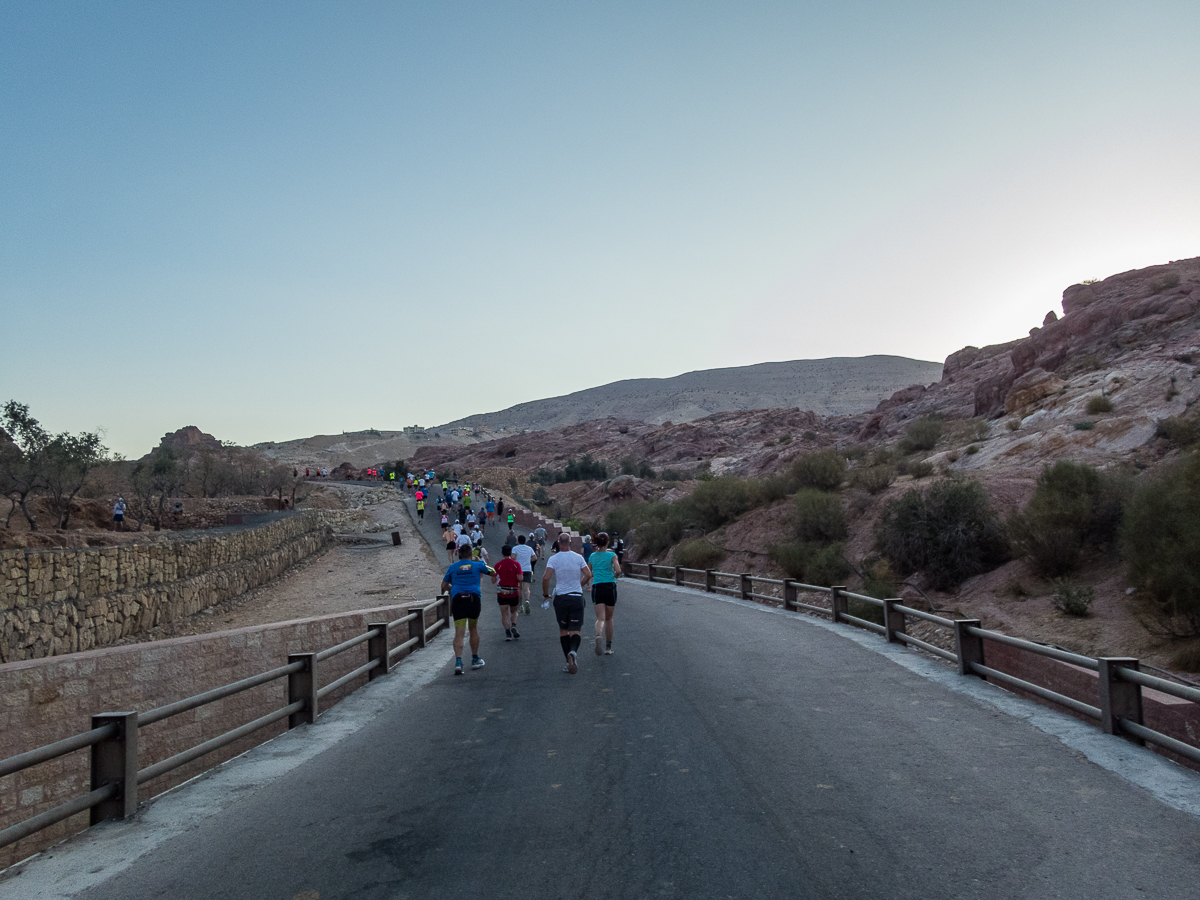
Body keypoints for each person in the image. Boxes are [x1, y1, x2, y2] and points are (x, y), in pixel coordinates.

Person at [542, 534, 592, 674]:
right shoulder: (578, 557)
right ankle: (573, 651)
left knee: (564, 630)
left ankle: (567, 661)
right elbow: (588, 574)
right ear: (570, 542)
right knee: (575, 630)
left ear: (558, 543)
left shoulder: (553, 559)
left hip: (561, 598)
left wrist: (546, 595)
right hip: (576, 597)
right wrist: (579, 586)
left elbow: (546, 577)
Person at [441, 545, 495, 675]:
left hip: (458, 600)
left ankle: (458, 662)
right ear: (471, 554)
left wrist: (453, 588)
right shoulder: (478, 565)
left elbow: (443, 585)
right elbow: (493, 571)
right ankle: (475, 658)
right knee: (473, 628)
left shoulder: (453, 567)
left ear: (459, 554)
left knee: (459, 632)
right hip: (473, 599)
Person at [589, 533, 622, 655]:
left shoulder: (592, 556)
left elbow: (589, 573)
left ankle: (598, 636)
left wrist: (597, 573)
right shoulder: (612, 555)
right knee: (609, 618)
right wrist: (615, 576)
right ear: (608, 543)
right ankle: (608, 647)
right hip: (610, 586)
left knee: (600, 618)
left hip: (597, 587)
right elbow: (618, 570)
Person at [494, 544, 523, 640]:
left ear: (502, 553)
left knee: (504, 614)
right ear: (511, 553)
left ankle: (507, 633)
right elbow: (520, 578)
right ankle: (513, 625)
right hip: (513, 591)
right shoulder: (516, 564)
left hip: (502, 592)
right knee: (514, 611)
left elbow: (494, 580)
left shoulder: (498, 565)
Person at [510, 534, 537, 614]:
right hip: (528, 569)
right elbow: (535, 557)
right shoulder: (529, 548)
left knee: (519, 589)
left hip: (518, 570)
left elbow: (513, 558)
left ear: (518, 540)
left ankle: (521, 606)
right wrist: (528, 560)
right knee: (527, 588)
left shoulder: (515, 548)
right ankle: (527, 600)